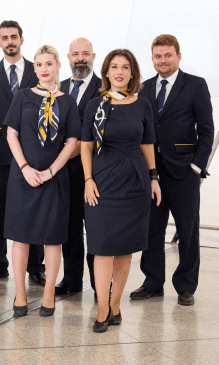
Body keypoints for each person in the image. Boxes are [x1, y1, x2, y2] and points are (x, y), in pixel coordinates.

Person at [81, 49, 161, 332]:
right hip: (101, 183)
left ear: (132, 73)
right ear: (106, 73)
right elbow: (86, 146)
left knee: (126, 250)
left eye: (125, 67)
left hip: (134, 182)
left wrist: (154, 178)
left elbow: (148, 143)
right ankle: (102, 309)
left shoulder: (143, 105)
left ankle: (115, 305)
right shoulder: (95, 105)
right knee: (102, 248)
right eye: (114, 67)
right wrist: (88, 179)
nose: (119, 72)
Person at [131, 34, 214, 307]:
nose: (163, 60)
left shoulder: (195, 85)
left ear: (179, 56)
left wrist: (196, 166)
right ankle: (153, 283)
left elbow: (206, 130)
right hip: (151, 172)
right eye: (158, 56)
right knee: (151, 229)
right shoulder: (143, 88)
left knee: (187, 231)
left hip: (183, 172)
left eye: (168, 55)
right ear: (152, 59)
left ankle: (186, 286)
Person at [4, 45, 80, 317]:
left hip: (54, 179)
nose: (44, 68)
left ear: (59, 65)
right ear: (34, 68)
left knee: (53, 238)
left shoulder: (68, 102)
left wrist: (50, 172)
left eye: (49, 63)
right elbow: (11, 134)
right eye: (39, 64)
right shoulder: (22, 96)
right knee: (20, 237)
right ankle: (20, 293)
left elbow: (72, 142)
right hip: (22, 177)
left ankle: (49, 292)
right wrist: (24, 167)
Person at [0, 20, 45, 285]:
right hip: (1, 156)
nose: (10, 41)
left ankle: (35, 266)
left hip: (34, 156)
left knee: (35, 210)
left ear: (22, 39)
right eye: (4, 37)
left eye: (14, 36)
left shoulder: (36, 70)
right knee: (1, 210)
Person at [56, 37, 101, 297]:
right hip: (65, 173)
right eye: (76, 54)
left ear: (93, 56)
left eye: (85, 53)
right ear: (69, 57)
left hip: (93, 172)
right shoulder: (58, 88)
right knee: (70, 227)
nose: (80, 58)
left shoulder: (103, 87)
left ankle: (98, 283)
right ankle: (72, 279)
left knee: (95, 229)